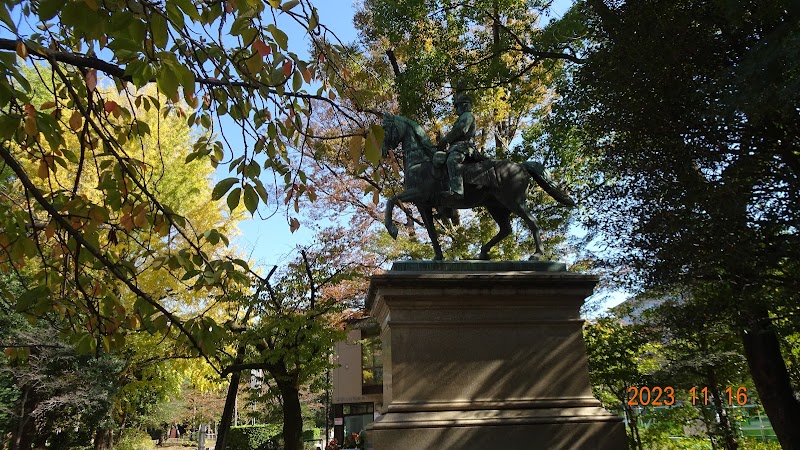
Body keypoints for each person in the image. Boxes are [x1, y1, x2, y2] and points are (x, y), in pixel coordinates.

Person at [437, 91, 478, 200]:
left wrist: (445, 139)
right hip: (457, 146)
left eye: (458, 106)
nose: (456, 110)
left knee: (452, 161)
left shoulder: (467, 115)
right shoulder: (462, 117)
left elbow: (460, 130)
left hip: (465, 147)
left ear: (464, 105)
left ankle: (457, 190)